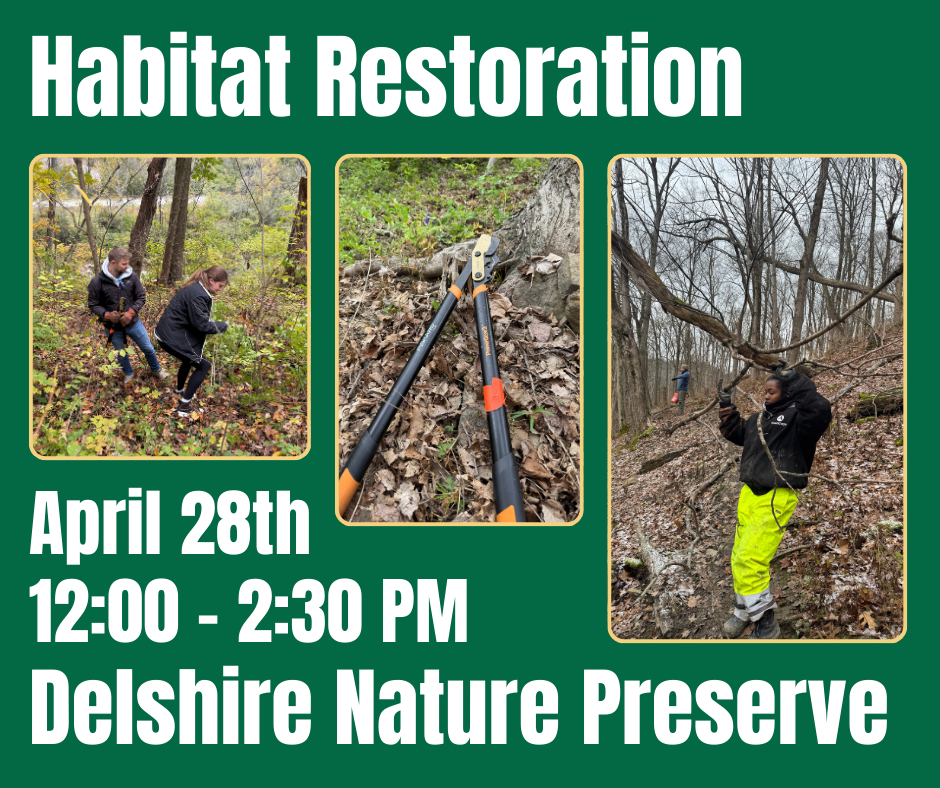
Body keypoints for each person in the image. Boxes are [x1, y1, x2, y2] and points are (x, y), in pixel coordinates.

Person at [717, 369, 832, 639]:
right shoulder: (760, 418)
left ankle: (766, 624)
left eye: (772, 391)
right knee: (738, 556)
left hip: (777, 495)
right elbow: (737, 432)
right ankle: (743, 612)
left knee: (750, 558)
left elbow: (820, 409)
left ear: (787, 392)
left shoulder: (799, 418)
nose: (766, 397)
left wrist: (796, 379)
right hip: (750, 494)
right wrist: (725, 405)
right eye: (764, 392)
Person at [154, 266, 229, 418]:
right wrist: (223, 325)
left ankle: (180, 391)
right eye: (220, 286)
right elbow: (201, 325)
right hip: (170, 336)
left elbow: (195, 317)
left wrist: (209, 321)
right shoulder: (198, 294)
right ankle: (184, 407)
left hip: (169, 333)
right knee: (204, 365)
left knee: (189, 359)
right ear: (212, 280)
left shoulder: (196, 288)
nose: (220, 289)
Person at [88, 247, 168, 384]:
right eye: (124, 264)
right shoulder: (97, 282)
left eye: (127, 263)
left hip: (133, 323)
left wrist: (131, 313)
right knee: (121, 352)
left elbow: (141, 297)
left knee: (148, 348)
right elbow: (93, 304)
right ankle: (128, 375)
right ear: (113, 263)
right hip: (112, 326)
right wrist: (106, 315)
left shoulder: (132, 277)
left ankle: (156, 370)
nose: (127, 266)